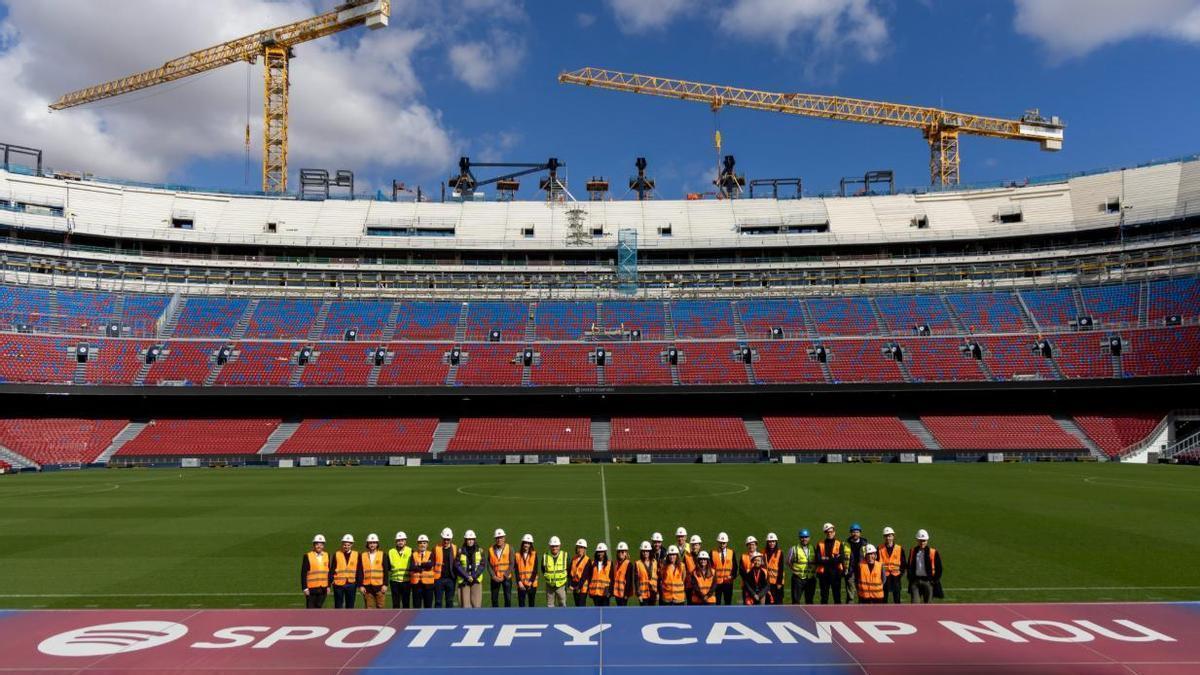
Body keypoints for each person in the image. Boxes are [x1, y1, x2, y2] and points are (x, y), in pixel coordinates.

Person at [907, 529, 943, 604]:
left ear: (927, 541)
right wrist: (910, 578)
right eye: (920, 540)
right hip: (915, 581)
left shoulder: (933, 552)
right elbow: (909, 566)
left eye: (924, 540)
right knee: (914, 604)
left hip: (928, 581)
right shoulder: (913, 551)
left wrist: (933, 581)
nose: (922, 542)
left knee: (928, 606)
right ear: (917, 540)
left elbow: (939, 569)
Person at [454, 530, 486, 608]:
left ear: (474, 540)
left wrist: (474, 576)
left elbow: (482, 565)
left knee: (477, 605)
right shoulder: (460, 551)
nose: (470, 541)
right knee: (465, 606)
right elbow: (457, 565)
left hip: (476, 580)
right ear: (465, 540)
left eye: (472, 539)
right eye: (468, 539)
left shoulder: (480, 551)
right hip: (464, 581)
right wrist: (467, 576)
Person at [816, 523, 846, 605]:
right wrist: (833, 559)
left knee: (837, 597)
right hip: (823, 574)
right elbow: (818, 560)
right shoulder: (820, 544)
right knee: (824, 597)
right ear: (825, 533)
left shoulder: (839, 543)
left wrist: (826, 559)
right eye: (827, 532)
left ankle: (839, 615)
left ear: (834, 532)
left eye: (831, 531)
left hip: (836, 574)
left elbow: (841, 559)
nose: (829, 533)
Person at [300, 534, 331, 609]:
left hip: (323, 588)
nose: (319, 546)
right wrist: (305, 588)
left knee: (319, 607)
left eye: (321, 544)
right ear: (314, 545)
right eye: (317, 544)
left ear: (323, 545)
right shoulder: (307, 556)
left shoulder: (327, 555)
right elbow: (303, 573)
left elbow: (328, 572)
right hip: (311, 588)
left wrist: (329, 586)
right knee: (310, 609)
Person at [787, 529, 817, 605]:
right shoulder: (794, 549)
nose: (804, 539)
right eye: (802, 537)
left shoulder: (813, 548)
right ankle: (795, 617)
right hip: (798, 579)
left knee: (809, 601)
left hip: (810, 579)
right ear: (800, 538)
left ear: (809, 538)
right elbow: (788, 561)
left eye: (806, 537)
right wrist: (794, 570)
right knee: (796, 601)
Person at [332, 534, 362, 609]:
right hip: (338, 584)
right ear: (342, 544)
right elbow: (332, 568)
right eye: (345, 545)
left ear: (352, 544)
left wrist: (359, 584)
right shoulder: (337, 554)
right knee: (338, 606)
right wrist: (331, 580)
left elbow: (359, 570)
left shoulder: (357, 554)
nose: (346, 546)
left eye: (348, 545)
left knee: (350, 606)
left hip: (351, 584)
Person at [878, 527, 906, 604]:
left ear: (893, 536)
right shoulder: (879, 548)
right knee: (884, 599)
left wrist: (900, 574)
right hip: (884, 577)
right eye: (886, 536)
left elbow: (903, 564)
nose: (888, 538)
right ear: (884, 537)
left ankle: (898, 615)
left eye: (890, 536)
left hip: (896, 576)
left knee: (897, 598)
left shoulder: (899, 548)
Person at [385, 531, 413, 609]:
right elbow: (388, 567)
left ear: (405, 541)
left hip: (406, 581)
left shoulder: (410, 551)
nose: (400, 542)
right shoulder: (391, 552)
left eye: (402, 540)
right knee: (395, 604)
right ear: (396, 541)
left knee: (406, 603)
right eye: (398, 540)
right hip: (394, 581)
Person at [844, 523, 870, 604]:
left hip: (862, 571)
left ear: (860, 533)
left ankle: (861, 613)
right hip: (850, 571)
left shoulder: (865, 544)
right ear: (851, 533)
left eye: (857, 531)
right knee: (850, 595)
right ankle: (849, 613)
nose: (855, 533)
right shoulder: (845, 544)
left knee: (862, 593)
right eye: (853, 532)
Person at [488, 528, 515, 608]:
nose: (499, 539)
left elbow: (512, 563)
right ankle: (495, 616)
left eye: (501, 537)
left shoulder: (510, 548)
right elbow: (489, 565)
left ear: (504, 538)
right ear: (495, 539)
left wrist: (504, 576)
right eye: (497, 538)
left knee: (508, 598)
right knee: (494, 599)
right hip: (495, 578)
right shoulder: (491, 550)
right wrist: (493, 576)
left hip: (506, 578)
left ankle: (507, 615)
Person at [360, 533, 387, 609]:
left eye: (374, 543)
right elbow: (360, 571)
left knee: (381, 608)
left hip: (380, 587)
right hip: (367, 587)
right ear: (367, 544)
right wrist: (361, 585)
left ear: (377, 544)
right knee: (369, 609)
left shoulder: (382, 555)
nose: (372, 545)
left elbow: (385, 571)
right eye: (370, 543)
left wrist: (385, 584)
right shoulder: (363, 555)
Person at [433, 527, 458, 608]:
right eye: (444, 539)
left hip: (451, 579)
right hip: (438, 579)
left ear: (451, 539)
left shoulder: (455, 548)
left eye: (448, 539)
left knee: (450, 601)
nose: (446, 541)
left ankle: (449, 619)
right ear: (442, 538)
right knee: (438, 601)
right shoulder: (436, 548)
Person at [542, 536, 569, 608]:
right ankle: (551, 618)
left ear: (559, 546)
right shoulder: (545, 556)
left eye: (556, 546)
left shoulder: (565, 555)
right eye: (552, 546)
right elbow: (543, 569)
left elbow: (568, 569)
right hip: (549, 585)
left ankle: (563, 618)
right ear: (549, 546)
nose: (554, 548)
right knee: (550, 605)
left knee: (562, 604)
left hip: (561, 585)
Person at [410, 534, 436, 609]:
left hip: (428, 584)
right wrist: (423, 567)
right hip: (416, 585)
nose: (422, 545)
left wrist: (419, 564)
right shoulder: (413, 554)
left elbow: (430, 565)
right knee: (416, 607)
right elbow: (412, 567)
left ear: (427, 544)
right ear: (418, 544)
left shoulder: (430, 554)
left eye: (424, 543)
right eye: (420, 543)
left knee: (428, 607)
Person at [514, 533, 538, 607]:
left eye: (528, 543)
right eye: (525, 543)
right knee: (521, 605)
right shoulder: (517, 555)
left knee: (531, 604)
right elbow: (516, 570)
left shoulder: (534, 554)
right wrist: (519, 582)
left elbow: (535, 570)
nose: (526, 545)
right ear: (522, 543)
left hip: (532, 584)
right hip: (521, 584)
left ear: (530, 544)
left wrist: (530, 582)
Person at [711, 532, 735, 605]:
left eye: (724, 543)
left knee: (728, 602)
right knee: (717, 603)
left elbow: (735, 567)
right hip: (716, 583)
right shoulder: (712, 553)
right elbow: (710, 567)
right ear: (718, 542)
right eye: (720, 543)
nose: (722, 545)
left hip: (728, 583)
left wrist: (732, 576)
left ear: (726, 543)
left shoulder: (731, 552)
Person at [635, 541, 659, 606]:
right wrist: (639, 594)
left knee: (652, 613)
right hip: (643, 594)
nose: (645, 553)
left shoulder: (654, 562)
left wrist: (657, 593)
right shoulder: (638, 563)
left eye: (647, 551)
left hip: (653, 592)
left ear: (650, 552)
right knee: (644, 614)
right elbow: (636, 580)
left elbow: (657, 578)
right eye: (644, 551)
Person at [763, 532, 784, 604]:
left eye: (773, 541)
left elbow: (781, 569)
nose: (772, 543)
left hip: (777, 583)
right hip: (767, 582)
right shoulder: (763, 552)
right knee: (768, 602)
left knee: (778, 602)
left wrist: (779, 583)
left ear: (776, 542)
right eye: (770, 542)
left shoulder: (779, 552)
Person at [569, 538, 591, 607]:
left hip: (582, 587)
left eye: (582, 548)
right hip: (575, 586)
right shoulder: (574, 558)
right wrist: (570, 584)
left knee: (581, 605)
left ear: (584, 549)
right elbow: (570, 572)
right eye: (578, 547)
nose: (580, 549)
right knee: (577, 605)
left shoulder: (587, 560)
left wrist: (578, 587)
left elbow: (585, 576)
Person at [612, 542, 633, 606]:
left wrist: (626, 594)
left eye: (623, 552)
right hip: (617, 593)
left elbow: (629, 581)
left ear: (626, 553)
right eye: (619, 552)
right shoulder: (616, 563)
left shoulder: (628, 564)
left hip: (623, 593)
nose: (621, 553)